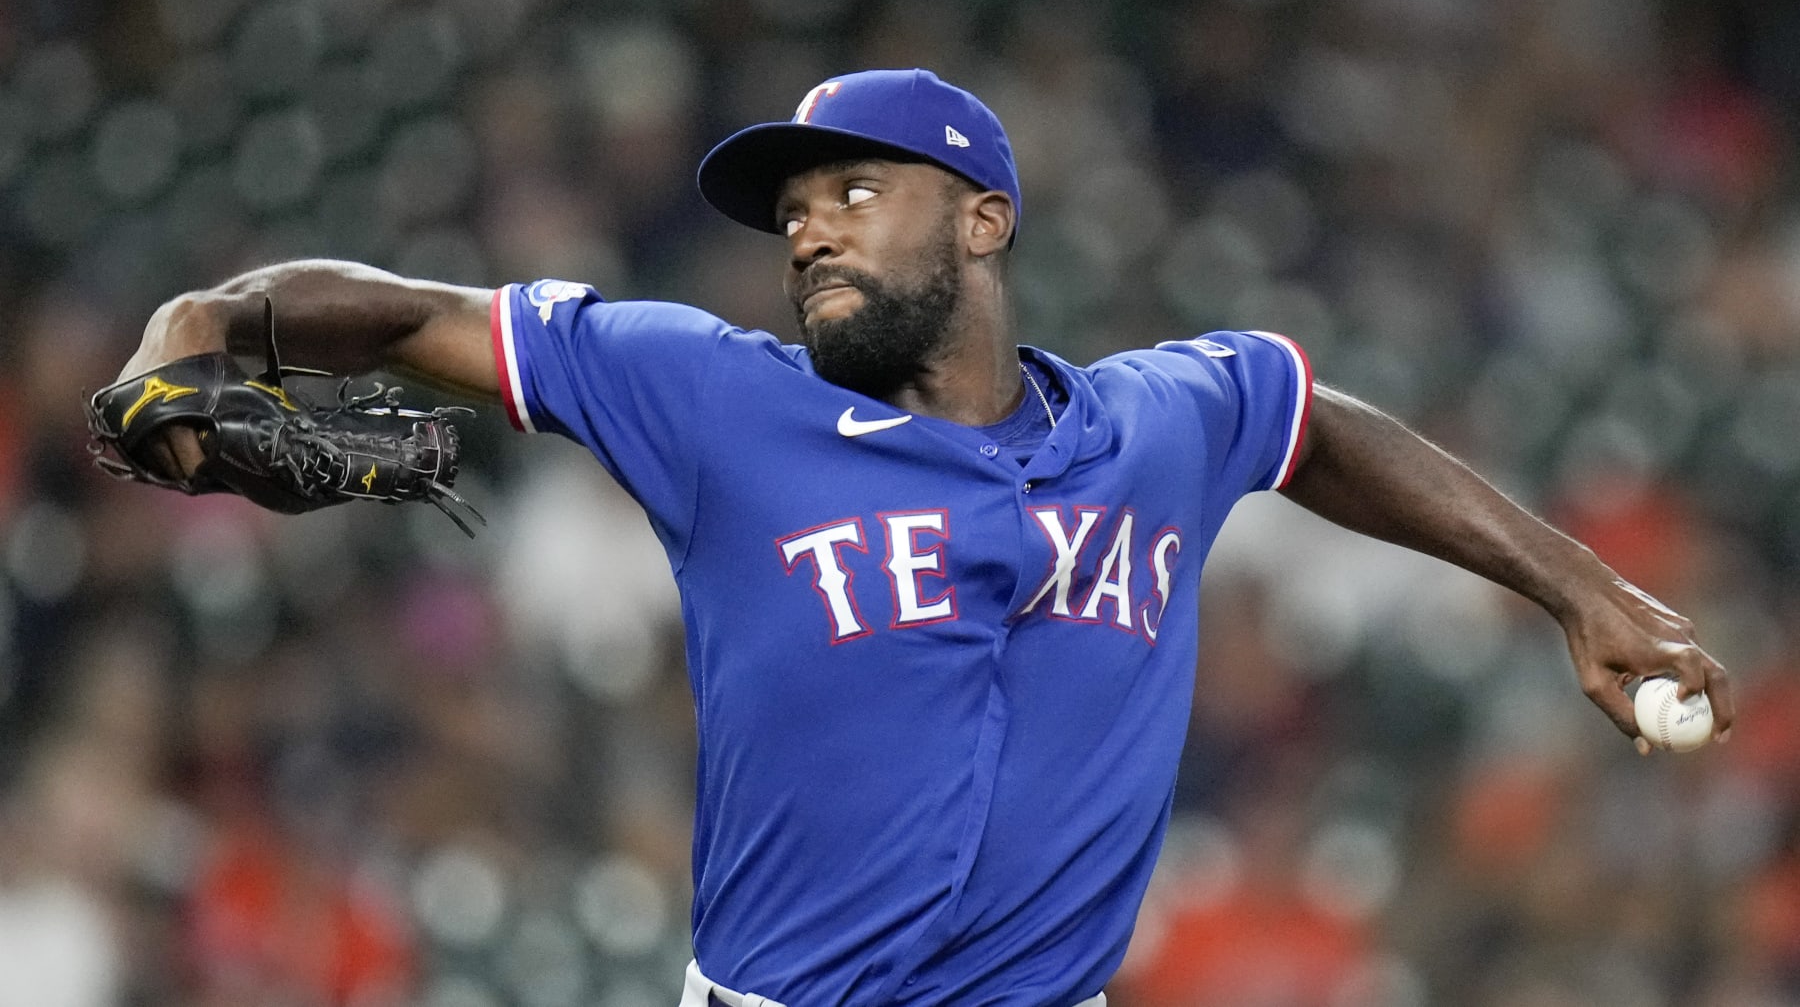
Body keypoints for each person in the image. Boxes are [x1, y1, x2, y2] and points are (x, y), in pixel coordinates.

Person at [113, 69, 1733, 1007]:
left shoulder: (1153, 422)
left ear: (982, 217)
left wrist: (1578, 589)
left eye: (851, 189)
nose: (805, 223)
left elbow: (1309, 417)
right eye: (791, 208)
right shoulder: (713, 398)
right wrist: (197, 324)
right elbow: (410, 320)